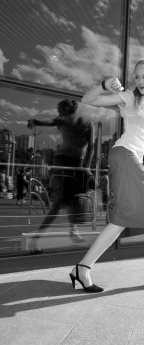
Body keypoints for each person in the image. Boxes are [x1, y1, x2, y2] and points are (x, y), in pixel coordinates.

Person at [69, 58, 144, 293]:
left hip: (133, 159)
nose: (140, 81)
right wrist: (104, 84)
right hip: (123, 154)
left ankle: (83, 268)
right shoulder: (129, 97)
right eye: (137, 77)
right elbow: (88, 100)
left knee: (134, 217)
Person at [27, 99, 95, 253]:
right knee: (60, 202)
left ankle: (73, 230)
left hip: (75, 164)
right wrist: (36, 121)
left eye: (61, 113)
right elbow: (49, 122)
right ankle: (35, 240)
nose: (59, 116)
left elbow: (91, 146)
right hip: (63, 162)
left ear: (70, 112)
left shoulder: (85, 123)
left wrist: (86, 167)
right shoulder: (65, 121)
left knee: (73, 197)